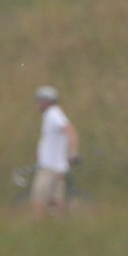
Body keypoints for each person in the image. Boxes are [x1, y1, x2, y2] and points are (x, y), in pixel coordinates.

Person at [29, 86, 78, 218]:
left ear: (47, 102)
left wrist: (73, 153)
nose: (37, 104)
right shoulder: (52, 115)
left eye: (39, 101)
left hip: (50, 167)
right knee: (55, 201)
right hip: (57, 167)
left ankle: (36, 225)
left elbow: (70, 131)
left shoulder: (53, 114)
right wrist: (41, 152)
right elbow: (52, 139)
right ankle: (59, 227)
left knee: (38, 197)